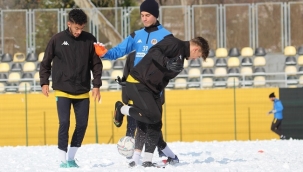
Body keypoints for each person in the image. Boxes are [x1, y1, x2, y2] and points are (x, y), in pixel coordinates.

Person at [94, 0, 173, 163]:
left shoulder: (166, 36)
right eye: (142, 15)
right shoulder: (136, 35)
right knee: (153, 122)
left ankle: (142, 157)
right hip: (139, 86)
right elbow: (118, 51)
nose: (144, 19)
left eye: (147, 15)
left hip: (156, 87)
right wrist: (104, 53)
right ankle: (149, 159)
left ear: (155, 15)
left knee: (149, 123)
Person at [113, 35, 210, 167]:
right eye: (198, 56)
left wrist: (157, 95)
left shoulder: (181, 61)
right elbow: (154, 51)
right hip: (138, 82)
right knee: (153, 116)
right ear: (196, 49)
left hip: (153, 90)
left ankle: (147, 160)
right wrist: (166, 62)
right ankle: (121, 109)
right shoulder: (174, 43)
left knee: (156, 122)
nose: (196, 59)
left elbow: (164, 78)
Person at [39, 9, 102, 168]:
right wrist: (44, 82)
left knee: (82, 125)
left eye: (82, 28)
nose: (79, 31)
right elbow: (45, 62)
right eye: (76, 28)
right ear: (69, 24)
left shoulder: (89, 40)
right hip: (62, 89)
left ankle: (71, 158)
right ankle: (62, 159)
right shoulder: (57, 39)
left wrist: (96, 85)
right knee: (65, 123)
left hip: (82, 91)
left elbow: (96, 64)